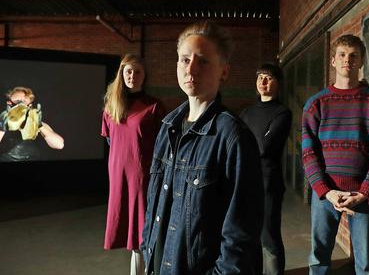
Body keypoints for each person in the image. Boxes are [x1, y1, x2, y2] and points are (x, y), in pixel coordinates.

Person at [141, 21, 263, 274]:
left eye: (203, 61)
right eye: (184, 60)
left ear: (224, 72)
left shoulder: (233, 137)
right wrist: (147, 247)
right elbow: (155, 200)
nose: (191, 69)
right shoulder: (167, 127)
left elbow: (241, 232)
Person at [302, 34, 369, 275]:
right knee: (318, 259)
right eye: (342, 55)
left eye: (353, 56)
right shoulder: (316, 104)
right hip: (325, 195)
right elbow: (308, 152)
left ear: (361, 61)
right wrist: (326, 191)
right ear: (333, 61)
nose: (347, 60)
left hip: (362, 195)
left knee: (367, 264)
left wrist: (364, 192)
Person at [102, 54, 165, 275]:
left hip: (143, 178)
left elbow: (163, 148)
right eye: (129, 71)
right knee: (132, 240)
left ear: (144, 76)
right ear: (121, 73)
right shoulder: (111, 106)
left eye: (138, 71)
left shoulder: (154, 107)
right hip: (119, 178)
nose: (133, 76)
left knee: (143, 236)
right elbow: (111, 141)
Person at [240, 63, 292, 275]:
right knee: (248, 237)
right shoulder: (247, 112)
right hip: (245, 182)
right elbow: (236, 145)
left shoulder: (282, 113)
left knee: (268, 238)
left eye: (268, 78)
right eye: (260, 77)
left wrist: (247, 143)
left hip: (268, 184)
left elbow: (265, 147)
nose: (263, 82)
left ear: (278, 83)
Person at [0, 86, 64, 160]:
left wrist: (40, 126)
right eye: (17, 102)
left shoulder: (38, 125)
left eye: (24, 102)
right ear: (9, 104)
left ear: (30, 106)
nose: (20, 106)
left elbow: (59, 145)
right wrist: (0, 129)